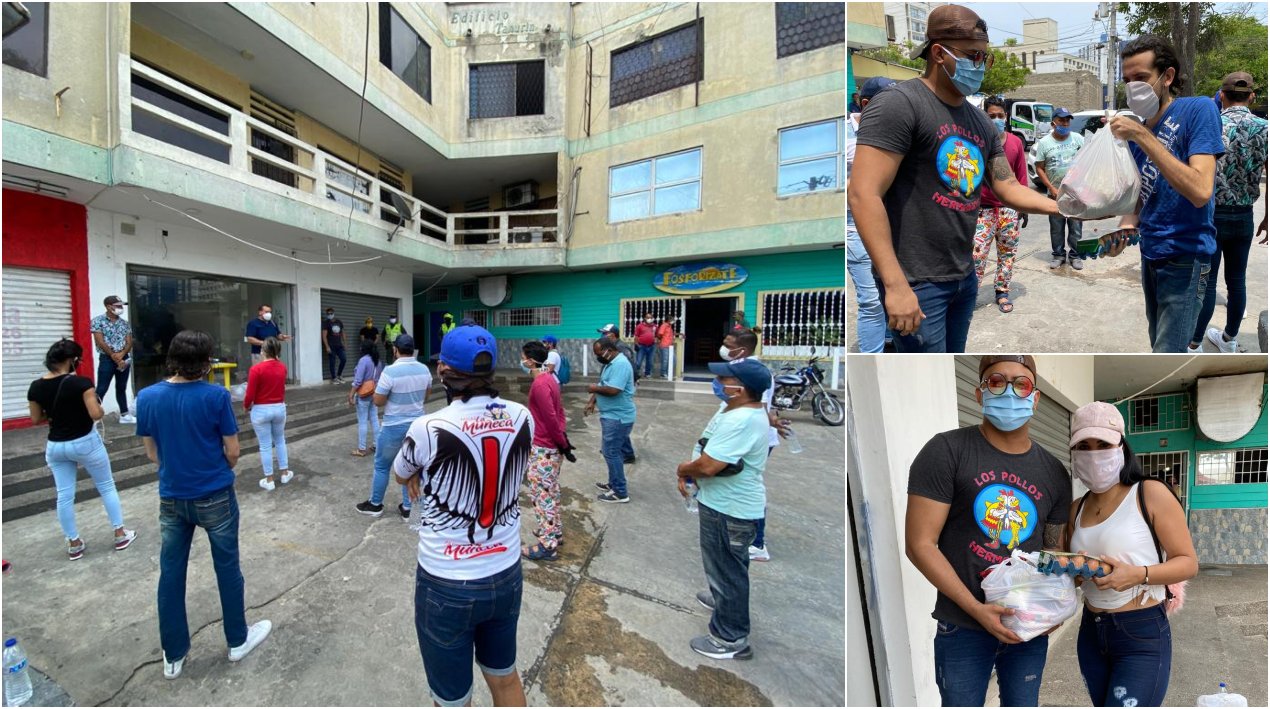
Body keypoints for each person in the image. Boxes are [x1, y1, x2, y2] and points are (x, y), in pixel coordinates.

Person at [848, 4, 1061, 353]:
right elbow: (863, 194)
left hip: (962, 276)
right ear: (938, 53)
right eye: (973, 55)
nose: (980, 65)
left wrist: (1062, 206)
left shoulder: (980, 122)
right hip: (916, 281)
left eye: (985, 57)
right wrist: (895, 284)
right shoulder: (899, 105)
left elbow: (1007, 186)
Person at [905, 355, 1071, 707]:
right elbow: (920, 544)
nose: (1009, 391)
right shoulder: (946, 451)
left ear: (1035, 398)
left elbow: (1051, 552)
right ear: (980, 393)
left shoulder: (1055, 472)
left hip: (1026, 627)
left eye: (1021, 384)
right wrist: (975, 608)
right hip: (963, 625)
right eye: (997, 381)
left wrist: (1053, 607)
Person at [392, 324, 532, 708]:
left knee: (453, 701)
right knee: (505, 678)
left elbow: (401, 473)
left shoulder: (429, 427)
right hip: (506, 572)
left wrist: (419, 471)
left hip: (446, 583)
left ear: (443, 370)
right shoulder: (523, 416)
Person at [136, 330, 272, 680]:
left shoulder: (147, 397)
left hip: (172, 496)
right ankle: (237, 640)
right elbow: (233, 451)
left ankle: (173, 655)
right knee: (227, 568)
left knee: (171, 573)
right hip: (215, 495)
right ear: (206, 362)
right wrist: (213, 469)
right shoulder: (216, 396)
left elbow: (152, 453)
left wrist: (178, 468)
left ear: (172, 358)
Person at [1065, 401, 1198, 707]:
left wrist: (1139, 574)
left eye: (1103, 444)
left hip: (1141, 633)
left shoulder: (1150, 493)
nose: (1094, 454)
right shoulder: (1076, 509)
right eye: (1084, 446)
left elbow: (1188, 563)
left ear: (1122, 447)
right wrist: (1076, 573)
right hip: (1091, 631)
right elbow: (1073, 576)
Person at [1108, 35, 1224, 352]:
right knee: (1157, 344)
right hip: (1151, 254)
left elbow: (1200, 190)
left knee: (1167, 352)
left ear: (1167, 76)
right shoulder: (1137, 136)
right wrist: (1123, 230)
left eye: (1141, 78)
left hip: (1186, 257)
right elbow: (1139, 199)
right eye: (1127, 81)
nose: (1133, 88)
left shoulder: (1197, 110)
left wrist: (1143, 136)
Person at [676, 357, 773, 660]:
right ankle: (722, 601)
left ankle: (730, 638)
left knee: (728, 572)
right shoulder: (739, 409)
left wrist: (684, 469)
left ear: (740, 389)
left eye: (724, 380)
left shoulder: (741, 420)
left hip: (729, 509)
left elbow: (709, 465)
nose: (717, 383)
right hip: (723, 503)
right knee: (725, 566)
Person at [27, 338, 137, 560]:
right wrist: (97, 405)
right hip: (85, 442)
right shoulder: (81, 383)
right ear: (71, 360)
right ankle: (120, 533)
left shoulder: (36, 386)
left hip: (56, 446)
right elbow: (96, 414)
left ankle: (74, 543)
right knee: (106, 486)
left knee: (64, 495)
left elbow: (36, 418)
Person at [1189, 72, 1268, 353]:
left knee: (1207, 282)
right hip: (1244, 215)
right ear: (1252, 97)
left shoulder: (1212, 125)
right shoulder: (1265, 128)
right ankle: (1229, 339)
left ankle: (1195, 343)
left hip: (1211, 215)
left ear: (1221, 95)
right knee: (1237, 280)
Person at [719, 329, 785, 562]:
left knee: (749, 488)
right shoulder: (740, 367)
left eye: (728, 345)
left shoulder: (755, 372)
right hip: (748, 435)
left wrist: (772, 422)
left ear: (742, 350)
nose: (724, 348)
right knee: (738, 485)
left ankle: (757, 543)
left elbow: (760, 407)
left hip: (753, 439)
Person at [355, 333, 432, 518]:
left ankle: (375, 504)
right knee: (411, 466)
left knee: (382, 466)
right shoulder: (424, 369)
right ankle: (408, 508)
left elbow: (378, 401)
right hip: (416, 427)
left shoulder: (390, 371)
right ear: (412, 350)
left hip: (393, 426)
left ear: (395, 350)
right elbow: (426, 396)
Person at [848, 76, 896, 353]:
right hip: (856, 226)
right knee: (871, 301)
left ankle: (889, 340)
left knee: (892, 290)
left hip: (892, 222)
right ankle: (871, 358)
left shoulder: (897, 132)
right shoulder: (844, 137)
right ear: (866, 105)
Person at [974, 96, 1032, 313]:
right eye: (992, 116)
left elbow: (1021, 177)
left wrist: (1023, 207)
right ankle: (969, 295)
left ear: (1006, 117)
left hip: (1009, 210)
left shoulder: (1016, 143)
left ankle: (1002, 292)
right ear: (984, 117)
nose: (996, 120)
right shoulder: (978, 142)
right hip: (983, 210)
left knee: (1007, 254)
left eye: (1000, 115)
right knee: (976, 256)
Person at [521, 341, 572, 562]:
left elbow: (551, 417)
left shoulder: (540, 384)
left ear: (531, 361)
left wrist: (561, 442)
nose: (522, 361)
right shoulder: (549, 379)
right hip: (552, 446)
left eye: (523, 357)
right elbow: (559, 412)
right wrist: (562, 440)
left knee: (542, 496)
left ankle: (547, 544)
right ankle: (554, 531)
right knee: (551, 491)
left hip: (544, 447)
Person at [1035, 107, 1087, 271]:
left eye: (1067, 120)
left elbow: (1087, 160)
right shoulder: (1045, 143)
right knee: (1056, 228)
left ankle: (1075, 256)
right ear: (1053, 123)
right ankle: (1058, 255)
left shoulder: (1078, 139)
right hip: (1055, 194)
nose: (1065, 123)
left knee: (1076, 227)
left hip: (1076, 193)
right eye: (1061, 120)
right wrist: (1051, 188)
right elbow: (1039, 168)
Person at [587, 337, 636, 503]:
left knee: (611, 452)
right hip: (611, 415)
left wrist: (594, 388)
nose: (598, 357)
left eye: (599, 353)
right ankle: (613, 483)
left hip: (618, 417)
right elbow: (604, 383)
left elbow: (614, 390)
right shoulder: (610, 363)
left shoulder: (620, 364)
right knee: (611, 452)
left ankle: (620, 492)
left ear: (609, 349)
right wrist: (592, 401)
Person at [244, 336, 292, 491]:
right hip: (279, 407)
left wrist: (246, 406)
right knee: (280, 440)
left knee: (265, 446)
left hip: (260, 410)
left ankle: (269, 480)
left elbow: (250, 394)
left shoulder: (256, 369)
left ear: (263, 351)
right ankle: (285, 473)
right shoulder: (282, 367)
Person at [89, 295, 136, 424]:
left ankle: (124, 414)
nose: (121, 308)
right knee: (102, 387)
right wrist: (114, 355)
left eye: (121, 305)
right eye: (118, 306)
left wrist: (122, 354)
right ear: (109, 307)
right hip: (107, 358)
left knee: (121, 387)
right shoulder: (98, 321)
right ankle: (92, 417)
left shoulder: (124, 323)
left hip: (123, 358)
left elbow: (129, 342)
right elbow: (100, 341)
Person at [348, 338, 383, 457]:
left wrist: (351, 394)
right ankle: (377, 445)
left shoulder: (363, 360)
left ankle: (361, 449)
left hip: (363, 395)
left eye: (361, 346)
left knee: (362, 421)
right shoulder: (378, 360)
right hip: (374, 392)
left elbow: (358, 380)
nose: (359, 348)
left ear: (364, 349)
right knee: (374, 419)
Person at [322, 307, 347, 384]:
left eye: (331, 313)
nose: (330, 315)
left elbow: (343, 333)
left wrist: (345, 343)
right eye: (328, 314)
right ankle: (333, 378)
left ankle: (339, 375)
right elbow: (324, 336)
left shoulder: (339, 322)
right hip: (331, 346)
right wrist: (327, 346)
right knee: (332, 362)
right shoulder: (326, 323)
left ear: (334, 313)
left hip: (339, 345)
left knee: (343, 359)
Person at [634, 312, 657, 378]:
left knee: (650, 361)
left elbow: (657, 335)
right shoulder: (640, 326)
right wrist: (636, 344)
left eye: (651, 317)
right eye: (648, 317)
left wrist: (656, 340)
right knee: (638, 362)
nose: (649, 319)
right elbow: (636, 336)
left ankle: (647, 373)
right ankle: (635, 373)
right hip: (642, 346)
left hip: (651, 346)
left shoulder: (655, 326)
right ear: (645, 318)